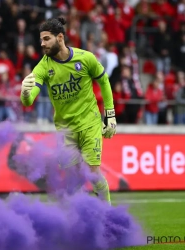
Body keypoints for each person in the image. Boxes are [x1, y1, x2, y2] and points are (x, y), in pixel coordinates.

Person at [20, 17, 117, 205]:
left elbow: (104, 81)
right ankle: (82, 221)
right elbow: (29, 101)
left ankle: (108, 216)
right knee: (72, 182)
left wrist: (110, 115)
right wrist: (24, 93)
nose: (42, 44)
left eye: (46, 39)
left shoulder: (85, 58)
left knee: (93, 173)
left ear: (60, 38)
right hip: (65, 130)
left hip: (89, 123)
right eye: (41, 40)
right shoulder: (43, 67)